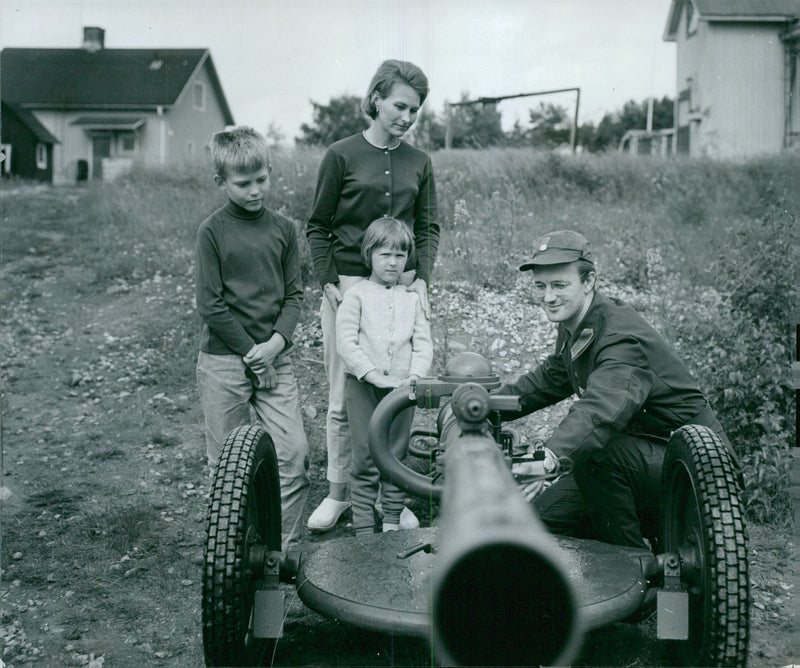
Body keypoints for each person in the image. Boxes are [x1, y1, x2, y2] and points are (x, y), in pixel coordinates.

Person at [498, 229, 735, 549]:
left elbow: (600, 411)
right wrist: (485, 405)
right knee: (540, 518)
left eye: (559, 285)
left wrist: (548, 459)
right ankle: (614, 549)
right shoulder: (577, 323)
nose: (548, 297)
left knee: (594, 452)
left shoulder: (620, 335)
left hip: (698, 472)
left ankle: (636, 571)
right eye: (540, 286)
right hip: (644, 457)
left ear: (589, 281)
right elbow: (551, 378)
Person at [305, 59, 439, 532]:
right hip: (346, 287)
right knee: (347, 396)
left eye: (415, 110)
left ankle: (391, 494)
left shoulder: (419, 161)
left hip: (401, 291)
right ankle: (339, 492)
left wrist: (420, 279)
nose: (406, 116)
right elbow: (318, 226)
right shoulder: (341, 154)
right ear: (377, 98)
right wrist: (327, 283)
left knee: (399, 390)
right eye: (400, 105)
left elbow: (427, 228)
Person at [195, 126, 309, 553]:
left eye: (262, 178)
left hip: (275, 358)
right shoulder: (212, 231)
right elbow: (210, 304)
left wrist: (275, 346)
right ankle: (233, 553)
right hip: (225, 361)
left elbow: (294, 295)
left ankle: (280, 552)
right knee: (225, 466)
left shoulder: (283, 229)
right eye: (243, 184)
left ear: (270, 170)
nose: (255, 190)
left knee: (294, 455)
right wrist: (249, 352)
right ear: (221, 182)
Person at [335, 217, 433, 535]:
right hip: (364, 387)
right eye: (385, 255)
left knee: (396, 453)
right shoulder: (357, 295)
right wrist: (372, 374)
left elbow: (423, 344)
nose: (392, 262)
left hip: (403, 390)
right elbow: (346, 342)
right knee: (364, 454)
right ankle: (363, 526)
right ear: (369, 255)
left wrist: (414, 377)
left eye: (399, 255)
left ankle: (391, 520)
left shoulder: (412, 299)